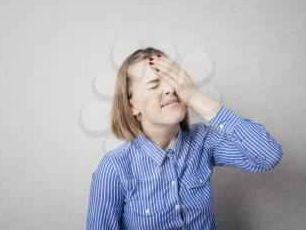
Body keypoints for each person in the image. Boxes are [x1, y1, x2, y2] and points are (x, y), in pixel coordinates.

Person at [85, 47, 283, 230]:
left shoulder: (204, 141)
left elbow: (268, 156)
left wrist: (195, 96)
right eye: (154, 85)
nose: (170, 89)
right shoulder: (115, 168)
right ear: (132, 107)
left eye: (174, 81)